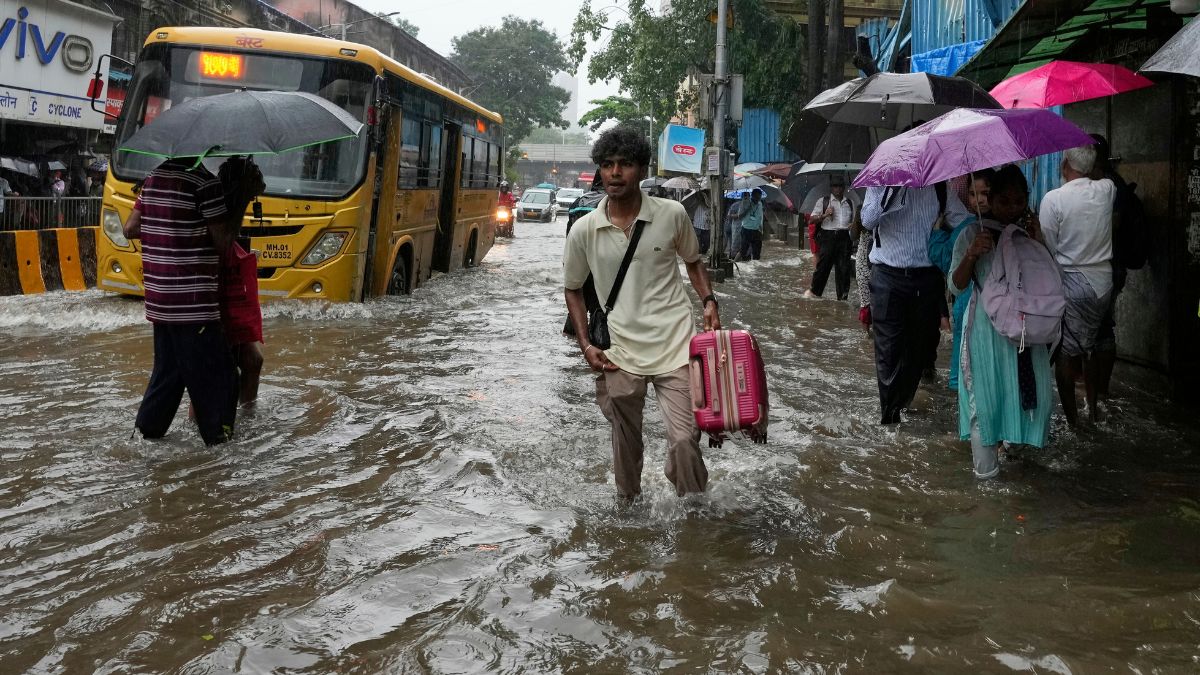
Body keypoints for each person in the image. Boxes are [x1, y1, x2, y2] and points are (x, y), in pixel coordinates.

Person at [563, 125, 721, 500]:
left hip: (676, 346)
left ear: (642, 170)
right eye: (607, 165)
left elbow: (694, 262)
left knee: (684, 441)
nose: (615, 173)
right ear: (599, 170)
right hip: (619, 352)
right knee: (625, 444)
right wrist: (586, 345)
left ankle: (694, 520)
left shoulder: (672, 215)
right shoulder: (584, 230)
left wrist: (709, 301)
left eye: (625, 164)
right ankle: (628, 512)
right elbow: (572, 290)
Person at [123, 157, 237, 446]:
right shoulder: (205, 184)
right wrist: (235, 209)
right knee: (218, 374)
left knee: (169, 373)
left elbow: (130, 229)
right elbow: (224, 244)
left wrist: (168, 231)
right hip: (193, 303)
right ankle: (218, 443)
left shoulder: (152, 179)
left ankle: (145, 435)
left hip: (160, 301)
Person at [949, 165, 1053, 479]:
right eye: (1005, 201)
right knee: (984, 403)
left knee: (1024, 399)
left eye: (1019, 201)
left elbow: (1048, 282)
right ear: (990, 200)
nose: (1012, 208)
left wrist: (1039, 243)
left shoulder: (1028, 233)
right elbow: (956, 285)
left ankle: (1011, 453)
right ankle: (987, 483)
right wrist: (971, 254)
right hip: (985, 332)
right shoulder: (972, 233)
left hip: (1024, 333)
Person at [861, 180, 970, 424]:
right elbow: (867, 220)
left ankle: (902, 402)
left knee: (918, 352)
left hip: (926, 279)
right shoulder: (880, 183)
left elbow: (962, 221)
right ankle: (889, 419)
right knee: (889, 351)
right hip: (887, 277)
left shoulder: (939, 185)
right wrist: (891, 192)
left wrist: (980, 228)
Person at [1039, 144, 1116, 426]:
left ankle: (1073, 422)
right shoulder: (1108, 189)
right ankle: (1093, 412)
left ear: (1064, 165)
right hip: (1104, 282)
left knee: (1065, 353)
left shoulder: (1054, 199)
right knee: (1091, 348)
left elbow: (1048, 245)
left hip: (1074, 280)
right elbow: (1105, 176)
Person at [217, 156, 267, 407]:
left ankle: (246, 417)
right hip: (215, 295)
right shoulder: (218, 206)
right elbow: (221, 241)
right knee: (217, 372)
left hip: (229, 293)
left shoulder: (233, 207)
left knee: (252, 360)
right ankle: (205, 427)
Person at [936, 170, 993, 391]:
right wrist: (971, 253)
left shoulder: (1009, 230)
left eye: (985, 193)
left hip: (996, 312)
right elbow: (953, 279)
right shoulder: (966, 231)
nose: (979, 200)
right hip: (966, 304)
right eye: (972, 194)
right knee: (962, 360)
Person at [804, 174, 855, 300]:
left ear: (844, 188)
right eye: (834, 186)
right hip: (828, 237)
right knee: (823, 267)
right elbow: (811, 220)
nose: (837, 189)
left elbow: (854, 222)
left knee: (844, 269)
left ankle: (842, 298)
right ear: (831, 188)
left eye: (840, 186)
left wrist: (852, 226)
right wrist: (824, 215)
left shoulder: (850, 203)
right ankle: (814, 293)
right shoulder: (823, 201)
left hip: (844, 238)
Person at [738, 189, 765, 261]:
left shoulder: (760, 203)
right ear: (752, 196)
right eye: (756, 198)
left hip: (757, 231)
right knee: (743, 251)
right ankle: (736, 265)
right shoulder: (745, 202)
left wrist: (761, 230)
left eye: (759, 198)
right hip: (746, 230)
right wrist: (747, 209)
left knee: (757, 253)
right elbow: (739, 216)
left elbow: (760, 217)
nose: (758, 200)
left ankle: (755, 268)